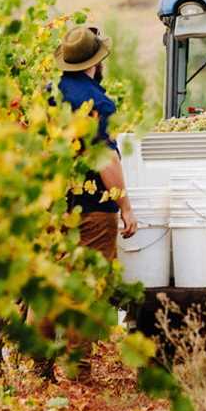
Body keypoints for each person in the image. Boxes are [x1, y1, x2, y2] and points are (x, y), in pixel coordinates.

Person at [40, 25, 137, 381]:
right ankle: (77, 371)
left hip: (53, 206)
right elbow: (105, 160)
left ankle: (39, 364)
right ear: (96, 62)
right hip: (94, 209)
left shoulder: (46, 94)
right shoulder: (97, 102)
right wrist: (125, 206)